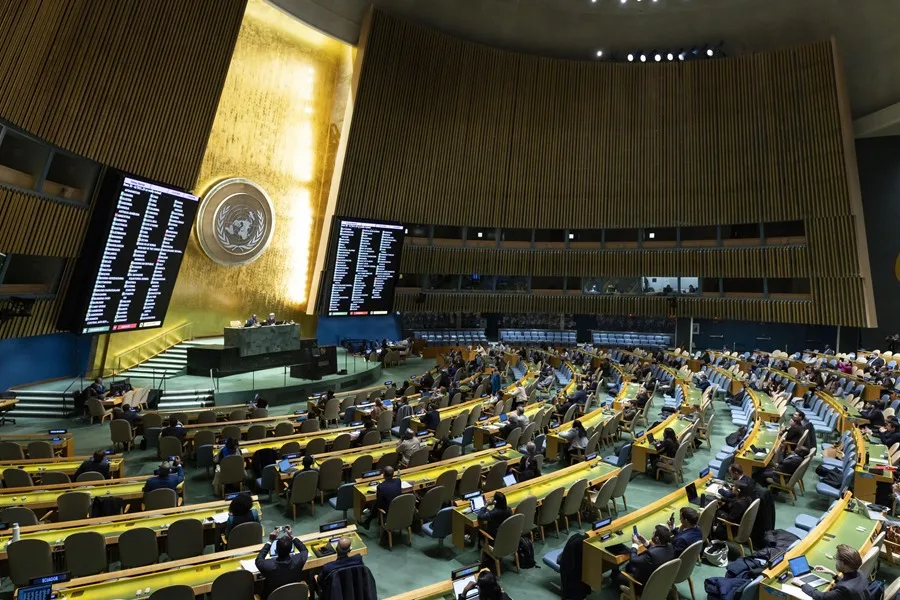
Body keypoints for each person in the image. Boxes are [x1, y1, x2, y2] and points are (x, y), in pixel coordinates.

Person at [792, 544, 870, 600]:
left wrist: (801, 584)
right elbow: (850, 584)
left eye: (836, 558)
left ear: (843, 563)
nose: (835, 561)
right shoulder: (860, 573)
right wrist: (833, 574)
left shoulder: (844, 589)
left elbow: (821, 597)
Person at [615, 524, 675, 593]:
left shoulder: (651, 555)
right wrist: (644, 541)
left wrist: (635, 545)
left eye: (653, 533)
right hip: (661, 580)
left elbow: (633, 560)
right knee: (629, 567)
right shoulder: (669, 546)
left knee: (618, 575)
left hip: (644, 586)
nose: (652, 534)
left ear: (657, 538)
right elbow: (657, 550)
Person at [255, 526, 309, 599]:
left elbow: (259, 559)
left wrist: (270, 541)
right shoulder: (298, 560)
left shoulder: (268, 565)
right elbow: (304, 550)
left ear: (276, 550)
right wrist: (291, 536)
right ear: (290, 551)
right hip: (293, 596)